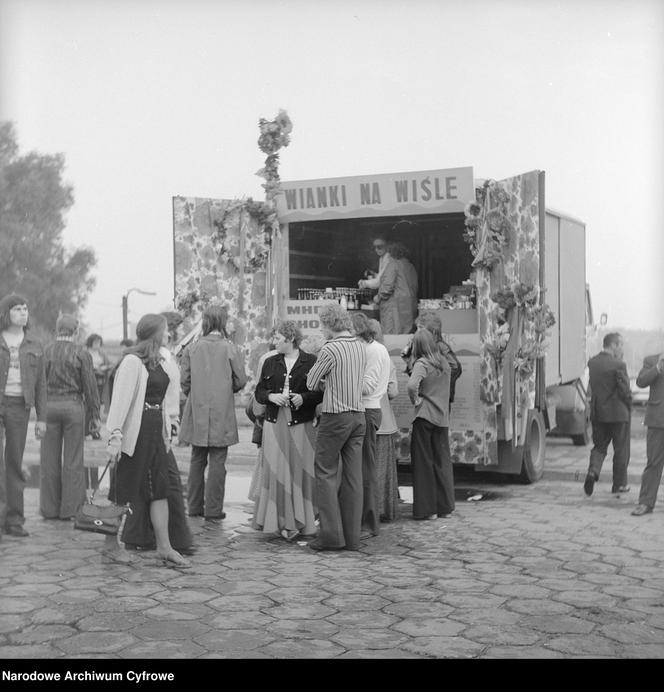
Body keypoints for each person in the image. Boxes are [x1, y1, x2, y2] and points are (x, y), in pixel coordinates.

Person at [104, 314, 188, 566]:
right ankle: (110, 546)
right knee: (122, 491)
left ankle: (165, 547)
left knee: (159, 490)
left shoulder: (160, 360)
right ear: (155, 333)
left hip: (155, 433)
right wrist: (115, 436)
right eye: (165, 331)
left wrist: (170, 426)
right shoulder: (132, 361)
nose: (168, 335)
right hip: (134, 434)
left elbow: (167, 401)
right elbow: (119, 402)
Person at [252, 320, 323, 541]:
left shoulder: (311, 361)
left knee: (301, 471)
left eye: (278, 339)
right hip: (275, 422)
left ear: (290, 339)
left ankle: (301, 522)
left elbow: (320, 393)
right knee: (276, 471)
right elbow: (259, 391)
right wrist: (271, 396)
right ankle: (279, 522)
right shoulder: (270, 362)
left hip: (300, 423)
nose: (274, 342)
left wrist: (303, 398)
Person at [306, 303, 366, 551]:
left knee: (326, 473)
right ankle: (352, 538)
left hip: (335, 416)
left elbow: (311, 382)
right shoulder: (360, 346)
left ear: (329, 324)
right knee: (353, 478)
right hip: (358, 416)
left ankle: (330, 536)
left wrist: (324, 382)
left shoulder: (330, 349)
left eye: (322, 324)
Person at [179, 305, 247, 521]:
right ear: (222, 322)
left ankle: (194, 507)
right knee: (218, 461)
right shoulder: (231, 348)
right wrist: (227, 390)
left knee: (197, 459)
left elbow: (185, 382)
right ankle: (214, 510)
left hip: (197, 409)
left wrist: (197, 392)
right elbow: (241, 380)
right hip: (221, 409)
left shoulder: (192, 348)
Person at [40, 314, 100, 521]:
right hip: (73, 406)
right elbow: (90, 387)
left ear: (57, 329)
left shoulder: (45, 351)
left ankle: (49, 509)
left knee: (49, 459)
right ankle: (71, 510)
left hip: (48, 407)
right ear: (75, 331)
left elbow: (39, 383)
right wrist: (94, 414)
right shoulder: (82, 353)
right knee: (73, 460)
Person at [0, 295, 47, 538]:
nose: (23, 312)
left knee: (14, 463)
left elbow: (41, 385)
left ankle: (14, 520)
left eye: (26, 308)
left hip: (20, 407)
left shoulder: (34, 344)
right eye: (17, 309)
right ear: (6, 313)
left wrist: (41, 418)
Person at [407, 329, 454, 520]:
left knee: (423, 464)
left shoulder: (422, 363)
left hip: (425, 416)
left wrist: (416, 400)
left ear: (417, 346)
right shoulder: (444, 362)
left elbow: (411, 385)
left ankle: (428, 510)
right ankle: (445, 508)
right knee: (441, 463)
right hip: (442, 418)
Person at [351, 312, 390, 539]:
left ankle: (368, 522)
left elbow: (368, 386)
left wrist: (341, 382)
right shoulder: (372, 349)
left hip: (368, 409)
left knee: (366, 468)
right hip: (366, 409)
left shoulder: (373, 350)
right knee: (362, 467)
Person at [583, 332, 632, 497]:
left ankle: (592, 472)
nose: (622, 348)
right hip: (618, 415)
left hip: (599, 414)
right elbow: (624, 390)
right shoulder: (619, 364)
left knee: (599, 447)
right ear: (614, 345)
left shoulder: (593, 363)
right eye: (621, 345)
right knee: (620, 450)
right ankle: (619, 485)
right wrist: (630, 404)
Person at [368, 319, 400, 522]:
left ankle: (367, 509)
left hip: (364, 418)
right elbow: (393, 392)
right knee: (383, 469)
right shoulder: (387, 357)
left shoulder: (361, 356)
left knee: (365, 467)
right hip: (385, 421)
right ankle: (383, 509)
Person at [403, 312, 462, 407]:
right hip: (426, 398)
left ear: (433, 332)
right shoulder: (422, 346)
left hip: (439, 397)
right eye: (417, 328)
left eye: (421, 328)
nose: (417, 332)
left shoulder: (440, 346)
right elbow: (416, 373)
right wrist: (409, 360)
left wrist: (438, 382)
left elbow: (456, 368)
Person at [631, 352, 664, 516]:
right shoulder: (651, 360)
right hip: (657, 420)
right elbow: (640, 382)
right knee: (653, 463)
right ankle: (645, 503)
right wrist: (657, 368)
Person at [372, 241, 418, 334]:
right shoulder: (410, 266)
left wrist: (378, 297)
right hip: (409, 306)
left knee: (391, 337)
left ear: (391, 253)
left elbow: (387, 287)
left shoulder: (393, 264)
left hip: (393, 308)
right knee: (406, 336)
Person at [85, 334, 112, 439]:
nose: (97, 345)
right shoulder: (85, 352)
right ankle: (86, 430)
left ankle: (95, 430)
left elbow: (110, 364)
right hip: (88, 382)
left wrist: (104, 367)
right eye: (95, 342)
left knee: (97, 407)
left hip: (100, 383)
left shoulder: (102, 354)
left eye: (99, 342)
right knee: (88, 406)